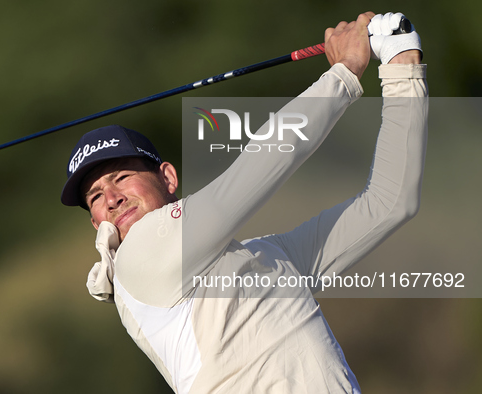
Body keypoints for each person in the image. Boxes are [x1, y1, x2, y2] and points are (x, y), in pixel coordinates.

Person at [60, 12, 427, 394]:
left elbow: (390, 202)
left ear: (168, 178)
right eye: (96, 197)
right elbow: (265, 160)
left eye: (121, 177)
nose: (113, 199)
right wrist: (345, 71)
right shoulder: (138, 258)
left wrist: (402, 66)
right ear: (95, 222)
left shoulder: (265, 258)